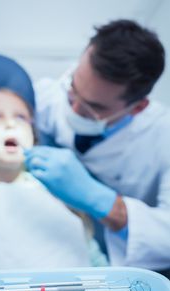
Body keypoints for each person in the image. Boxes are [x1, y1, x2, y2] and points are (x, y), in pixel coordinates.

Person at [0, 53, 107, 271]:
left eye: (20, 117)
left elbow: (98, 263)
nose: (10, 124)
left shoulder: (58, 190)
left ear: (33, 137)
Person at [24, 19, 170, 274]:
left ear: (137, 108)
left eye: (95, 108)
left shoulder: (163, 135)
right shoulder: (55, 92)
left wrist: (103, 202)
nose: (74, 108)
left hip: (110, 260)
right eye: (73, 88)